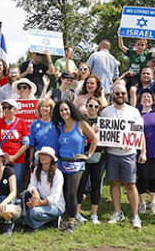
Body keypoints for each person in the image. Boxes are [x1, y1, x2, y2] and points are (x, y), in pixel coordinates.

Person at [101, 83, 146, 229]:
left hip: (129, 154)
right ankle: (117, 212)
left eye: (123, 93)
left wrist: (143, 152)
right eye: (117, 93)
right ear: (113, 94)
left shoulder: (134, 111)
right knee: (114, 183)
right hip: (112, 153)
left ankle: (135, 215)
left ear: (127, 95)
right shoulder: (106, 112)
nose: (120, 96)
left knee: (130, 184)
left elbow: (140, 133)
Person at [52, 100, 98, 233]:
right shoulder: (60, 126)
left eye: (66, 109)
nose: (64, 112)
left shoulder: (81, 123)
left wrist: (88, 155)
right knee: (62, 191)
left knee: (71, 192)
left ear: (71, 109)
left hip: (76, 164)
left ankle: (72, 221)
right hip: (61, 163)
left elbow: (94, 138)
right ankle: (62, 217)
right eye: (61, 110)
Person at [75, 97, 107, 224]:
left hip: (99, 155)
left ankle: (94, 214)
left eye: (96, 106)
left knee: (96, 184)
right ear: (86, 106)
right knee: (81, 184)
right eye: (90, 106)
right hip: (83, 155)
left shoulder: (104, 122)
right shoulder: (80, 121)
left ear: (99, 108)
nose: (93, 109)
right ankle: (77, 213)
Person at [0, 99, 29, 192]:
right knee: (2, 183)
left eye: (9, 107)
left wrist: (14, 157)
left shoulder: (21, 122)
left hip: (18, 160)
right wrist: (3, 156)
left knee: (16, 183)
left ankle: (15, 203)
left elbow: (26, 143)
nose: (6, 110)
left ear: (15, 109)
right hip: (2, 160)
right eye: (4, 107)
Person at [22, 147, 65, 230]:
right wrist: (35, 193)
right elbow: (31, 185)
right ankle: (37, 222)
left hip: (56, 205)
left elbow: (54, 197)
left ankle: (49, 219)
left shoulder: (57, 174)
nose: (43, 157)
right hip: (41, 200)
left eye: (46, 155)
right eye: (41, 155)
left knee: (34, 212)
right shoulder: (37, 170)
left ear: (51, 158)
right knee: (25, 194)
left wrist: (38, 204)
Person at [117, 34, 155, 106]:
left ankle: (133, 108)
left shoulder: (146, 54)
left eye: (142, 45)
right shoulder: (132, 53)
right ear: (135, 45)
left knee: (133, 90)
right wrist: (120, 35)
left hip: (136, 77)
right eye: (138, 44)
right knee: (120, 85)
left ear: (145, 46)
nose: (140, 47)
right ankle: (120, 103)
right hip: (128, 75)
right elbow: (121, 46)